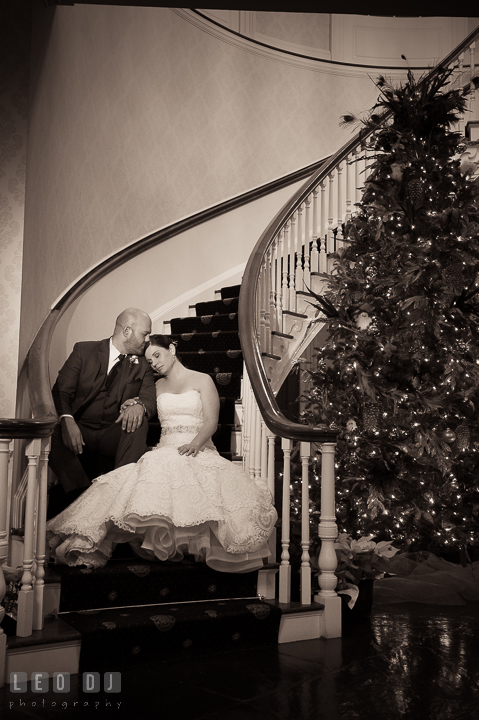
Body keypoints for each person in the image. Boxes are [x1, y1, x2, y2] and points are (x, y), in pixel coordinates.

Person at [46, 334, 277, 572]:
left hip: (197, 447)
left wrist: (195, 445)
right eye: (149, 360)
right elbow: (144, 405)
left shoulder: (202, 380)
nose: (154, 363)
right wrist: (132, 405)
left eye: (157, 355)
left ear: (172, 349)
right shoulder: (155, 386)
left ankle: (192, 543)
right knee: (138, 481)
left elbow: (211, 422)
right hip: (167, 448)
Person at [47, 308, 157, 517]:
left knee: (139, 422)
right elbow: (61, 391)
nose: (148, 340)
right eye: (145, 334)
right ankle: (81, 492)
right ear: (127, 331)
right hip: (81, 430)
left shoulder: (143, 363)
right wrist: (68, 421)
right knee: (50, 429)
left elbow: (149, 398)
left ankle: (119, 493)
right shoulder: (83, 351)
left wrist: (139, 406)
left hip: (113, 432)